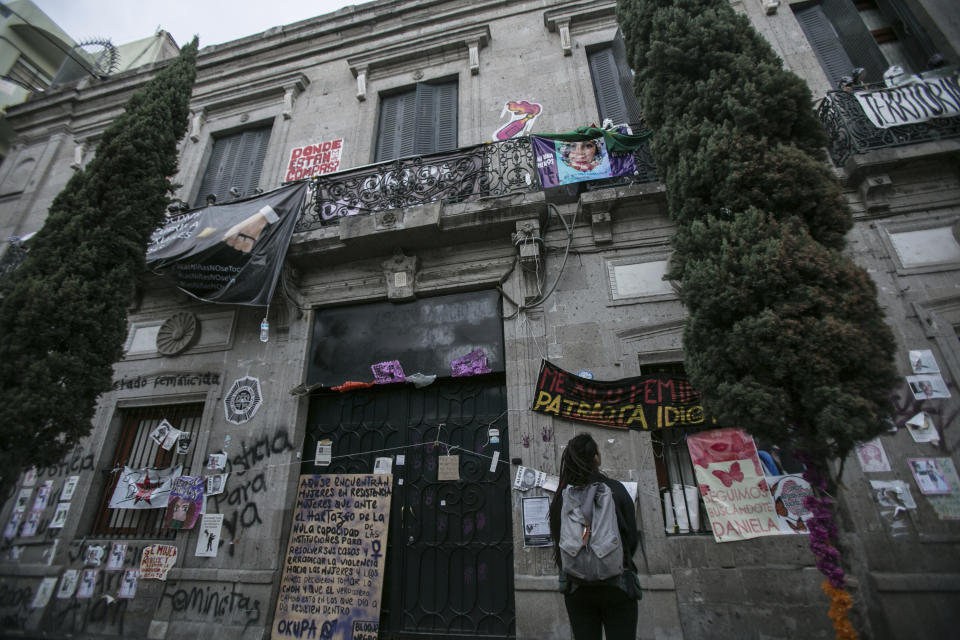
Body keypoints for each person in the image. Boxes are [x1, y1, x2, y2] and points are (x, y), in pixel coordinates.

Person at [549, 433, 639, 640]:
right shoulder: (615, 490)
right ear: (596, 458)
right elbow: (631, 539)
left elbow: (558, 539)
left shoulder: (562, 498)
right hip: (617, 584)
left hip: (577, 588)